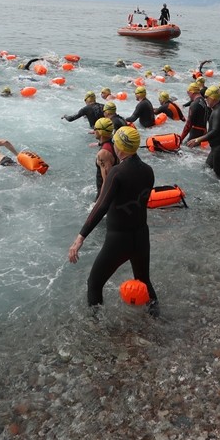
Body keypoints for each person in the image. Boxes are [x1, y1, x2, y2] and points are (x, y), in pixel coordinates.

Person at [67, 126, 158, 315]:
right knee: (144, 281)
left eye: (115, 142)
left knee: (94, 283)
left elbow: (101, 206)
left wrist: (80, 237)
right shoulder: (148, 171)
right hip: (141, 236)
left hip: (119, 239)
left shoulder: (117, 172)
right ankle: (157, 317)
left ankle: (95, 324)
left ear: (121, 147)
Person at [186, 86, 220, 179]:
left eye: (207, 97)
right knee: (206, 171)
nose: (206, 100)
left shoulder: (218, 112)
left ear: (213, 98)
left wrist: (198, 140)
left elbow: (215, 131)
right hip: (217, 149)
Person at [91, 117, 117, 193]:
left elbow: (107, 182)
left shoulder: (103, 153)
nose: (94, 131)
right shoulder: (115, 144)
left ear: (100, 132)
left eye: (95, 128)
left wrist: (100, 199)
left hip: (104, 193)